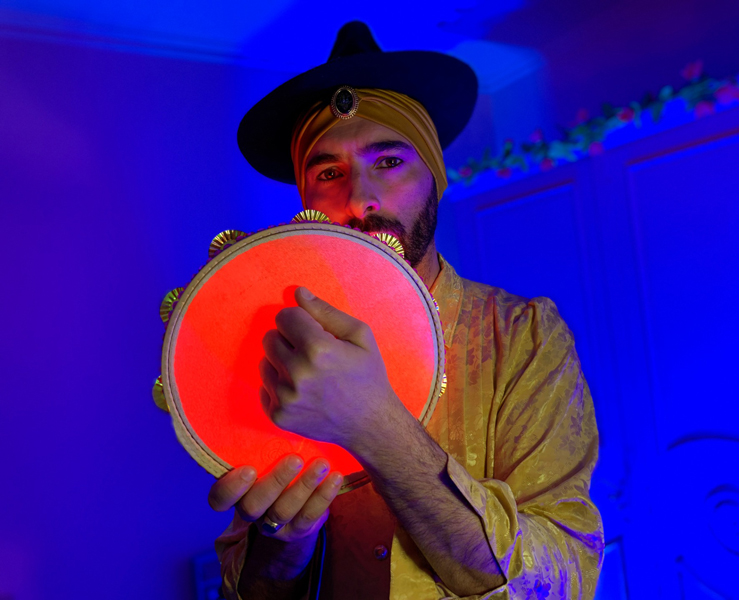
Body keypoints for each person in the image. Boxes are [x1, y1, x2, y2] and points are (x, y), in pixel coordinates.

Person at [209, 22, 604, 600]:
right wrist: (278, 543)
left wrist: (377, 428)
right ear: (306, 202)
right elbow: (250, 583)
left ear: (434, 179)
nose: (359, 197)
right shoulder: (282, 351)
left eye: (388, 162)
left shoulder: (524, 337)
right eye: (327, 173)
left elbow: (563, 581)